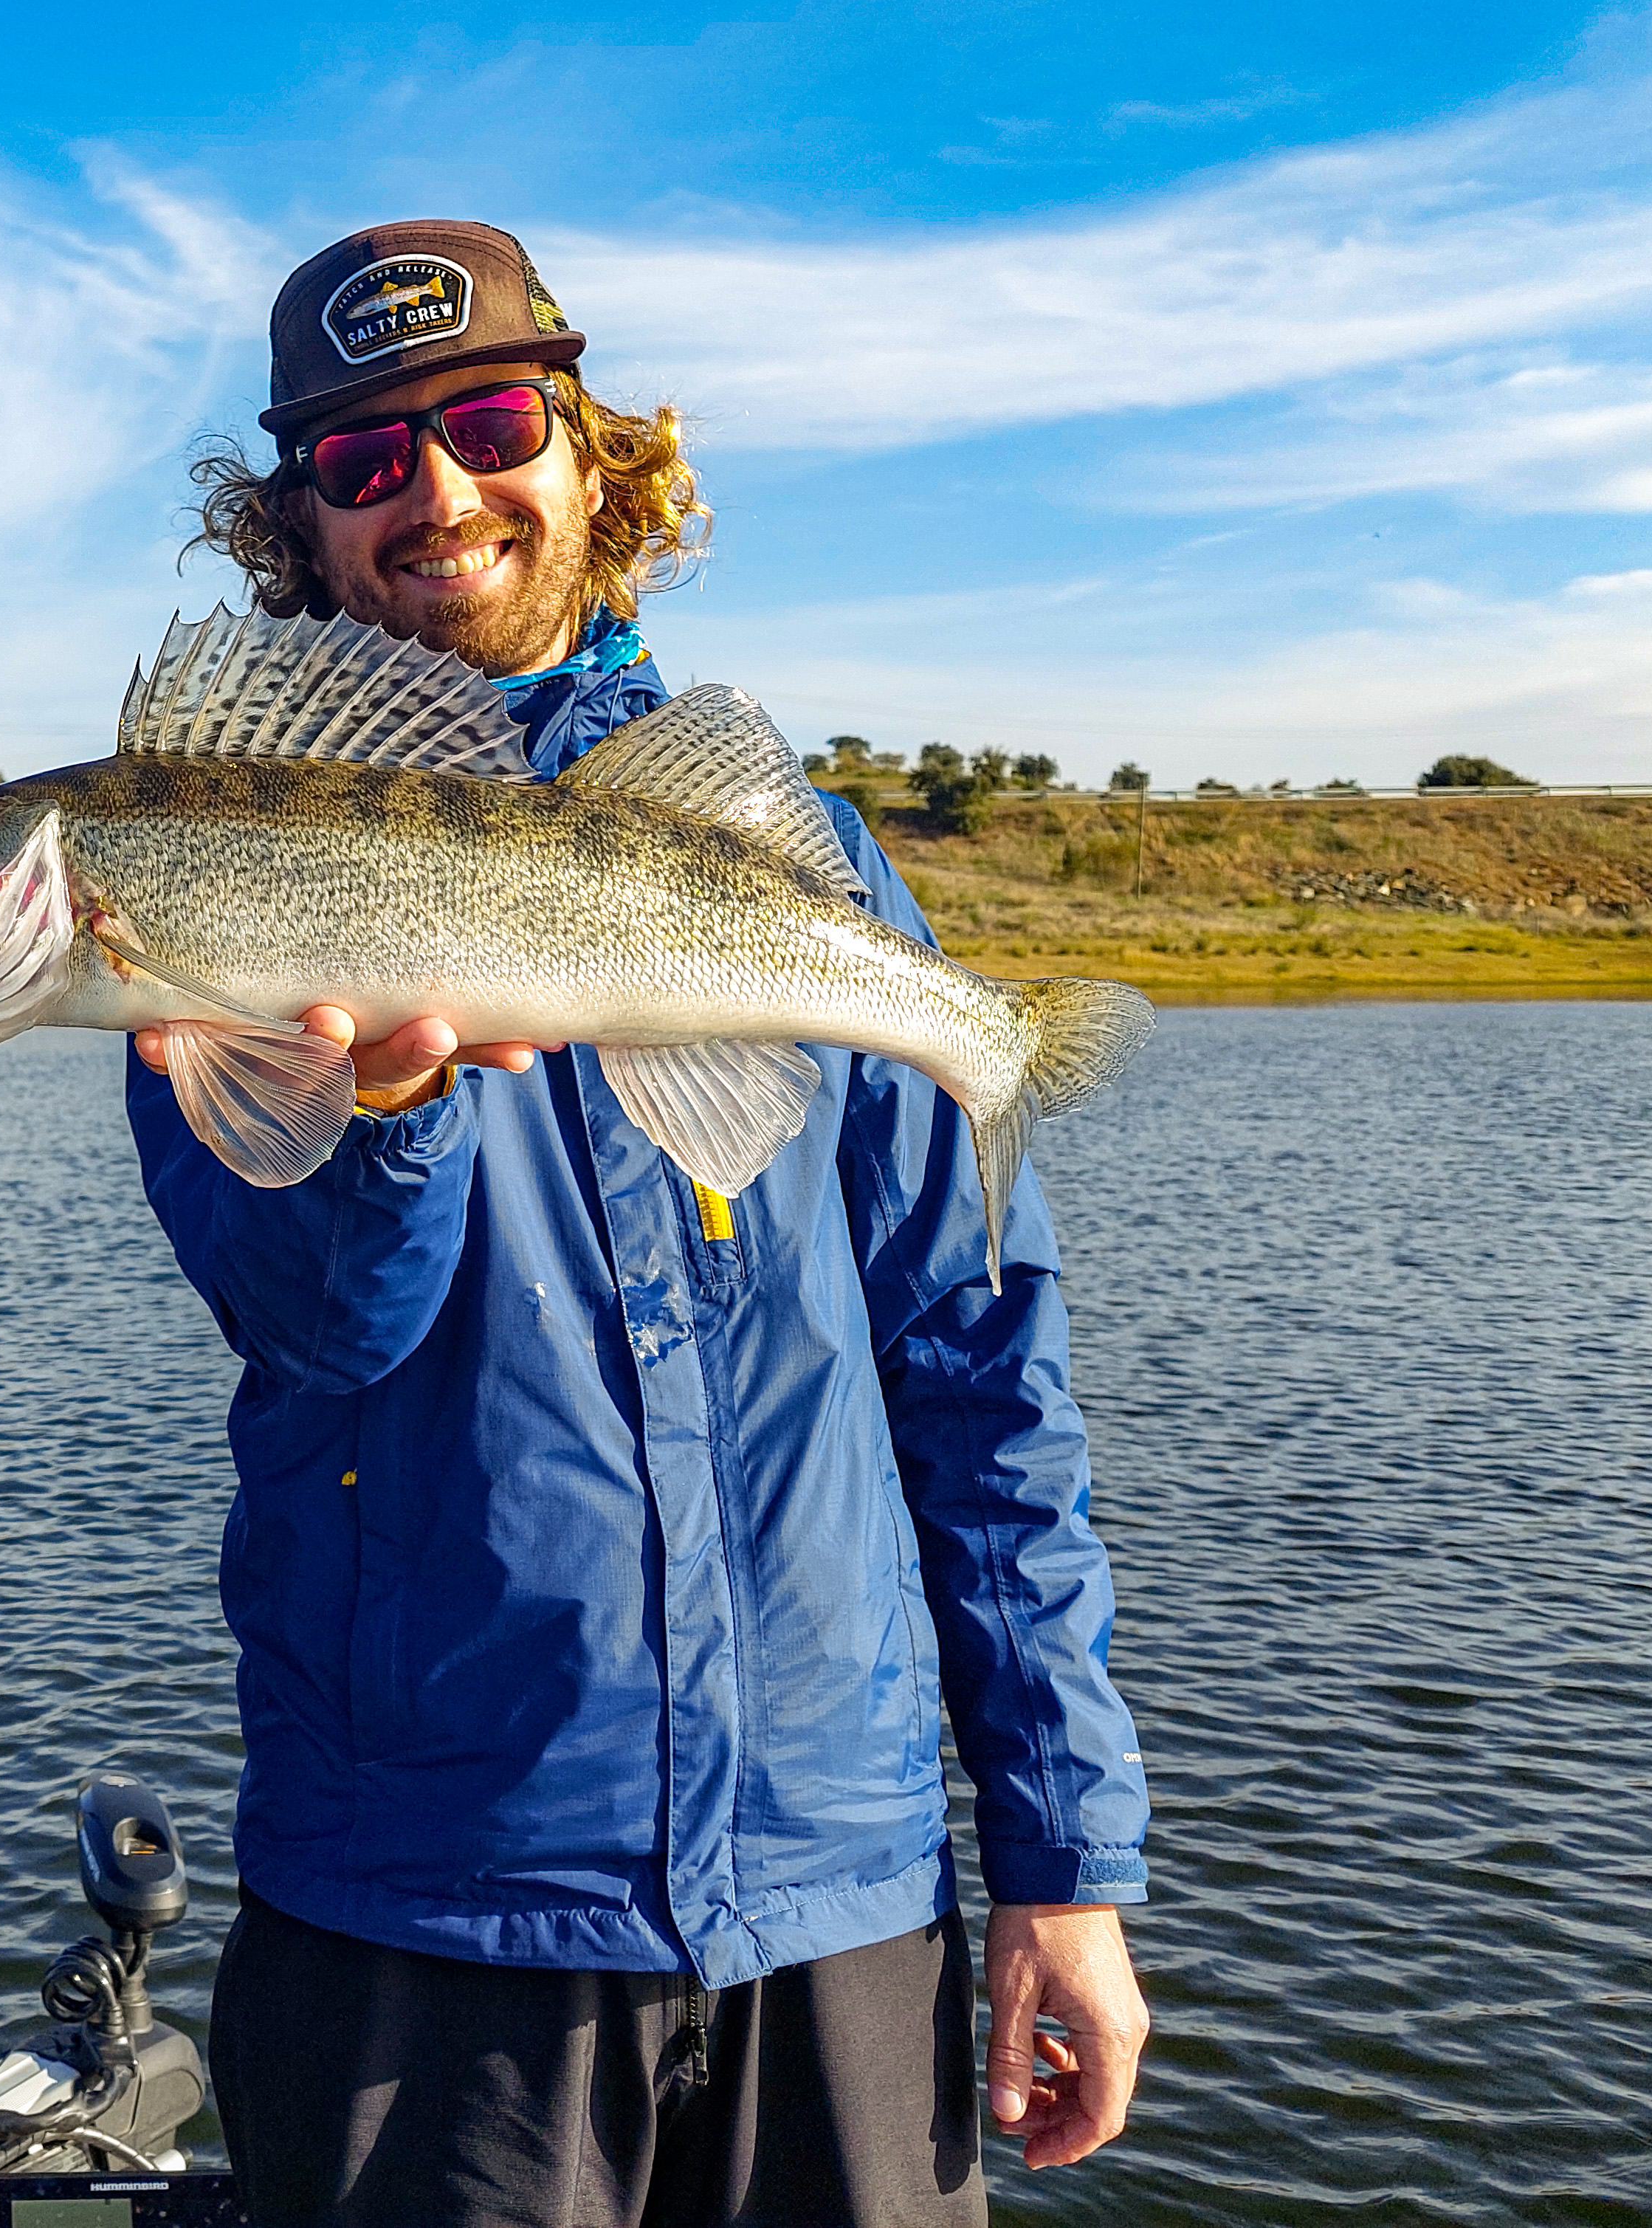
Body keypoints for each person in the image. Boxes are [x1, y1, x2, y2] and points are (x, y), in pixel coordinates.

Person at [132, 222, 1152, 2227]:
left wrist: (1065, 1853)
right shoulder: (223, 877)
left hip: (836, 1896)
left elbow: (973, 1373)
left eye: (491, 421)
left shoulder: (806, 859)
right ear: (301, 533)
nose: (433, 488)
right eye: (358, 462)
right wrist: (380, 1124)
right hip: (431, 1915)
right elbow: (317, 1324)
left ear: (597, 461)